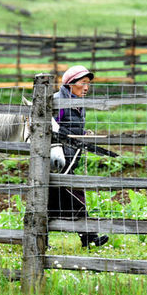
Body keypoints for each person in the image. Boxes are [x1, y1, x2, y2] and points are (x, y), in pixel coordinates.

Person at [48, 65, 108, 248]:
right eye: (83, 83)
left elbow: (71, 127)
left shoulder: (79, 104)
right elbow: (49, 129)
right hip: (57, 163)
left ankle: (39, 239)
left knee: (49, 204)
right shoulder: (57, 103)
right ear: (70, 84)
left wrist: (83, 134)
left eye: (88, 83)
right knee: (76, 197)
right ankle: (90, 237)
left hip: (70, 160)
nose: (86, 87)